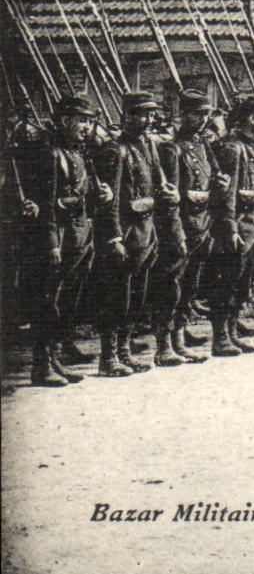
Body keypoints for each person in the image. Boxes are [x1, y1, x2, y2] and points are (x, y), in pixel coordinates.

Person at [13, 94, 105, 386]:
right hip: (58, 239)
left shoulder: (79, 152)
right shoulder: (50, 154)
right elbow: (47, 204)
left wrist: (103, 194)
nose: (87, 127)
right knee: (48, 303)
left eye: (90, 121)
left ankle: (56, 360)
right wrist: (52, 243)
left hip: (79, 237)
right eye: (82, 121)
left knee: (67, 301)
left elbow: (85, 194)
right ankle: (42, 367)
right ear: (65, 121)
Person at [92, 91, 171, 376]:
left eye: (151, 114)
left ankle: (124, 353)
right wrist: (114, 237)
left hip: (146, 233)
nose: (149, 120)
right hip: (125, 235)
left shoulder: (148, 145)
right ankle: (109, 358)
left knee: (136, 297)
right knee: (117, 297)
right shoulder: (115, 150)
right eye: (142, 115)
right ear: (127, 117)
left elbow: (157, 185)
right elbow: (110, 202)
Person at [151, 89, 220, 366]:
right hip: (180, 228)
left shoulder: (203, 145)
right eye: (197, 114)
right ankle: (164, 346)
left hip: (202, 225)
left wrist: (220, 184)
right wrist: (176, 232)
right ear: (184, 115)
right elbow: (171, 199)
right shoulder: (172, 149)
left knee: (190, 286)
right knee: (171, 287)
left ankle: (179, 341)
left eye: (206, 114)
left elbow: (213, 180)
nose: (202, 120)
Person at [210, 96, 254, 356]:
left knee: (242, 282)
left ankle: (232, 333)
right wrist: (231, 228)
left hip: (253, 225)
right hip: (237, 227)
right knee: (228, 281)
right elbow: (228, 195)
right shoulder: (232, 148)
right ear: (251, 119)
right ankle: (221, 338)